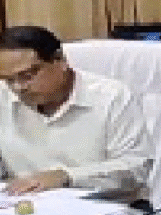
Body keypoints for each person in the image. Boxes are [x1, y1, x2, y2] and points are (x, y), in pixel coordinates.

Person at [0, 26, 152, 195]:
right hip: (26, 204)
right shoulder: (3, 96)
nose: (18, 88)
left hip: (103, 204)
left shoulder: (112, 97)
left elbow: (137, 168)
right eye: (8, 80)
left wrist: (66, 176)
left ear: (60, 61)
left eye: (27, 76)